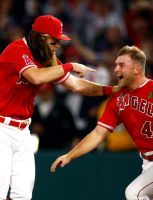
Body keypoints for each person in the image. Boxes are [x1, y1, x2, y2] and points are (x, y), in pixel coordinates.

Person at [50, 45, 153, 200]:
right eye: (116, 65)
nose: (116, 69)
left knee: (134, 193)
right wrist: (71, 155)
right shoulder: (117, 99)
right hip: (148, 163)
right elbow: (98, 133)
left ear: (137, 69)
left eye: (121, 65)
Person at [0, 15, 117, 200]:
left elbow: (78, 86)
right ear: (41, 37)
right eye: (54, 41)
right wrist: (70, 65)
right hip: (2, 130)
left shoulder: (45, 58)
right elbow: (36, 77)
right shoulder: (16, 50)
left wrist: (114, 90)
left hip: (23, 132)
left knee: (22, 195)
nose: (57, 47)